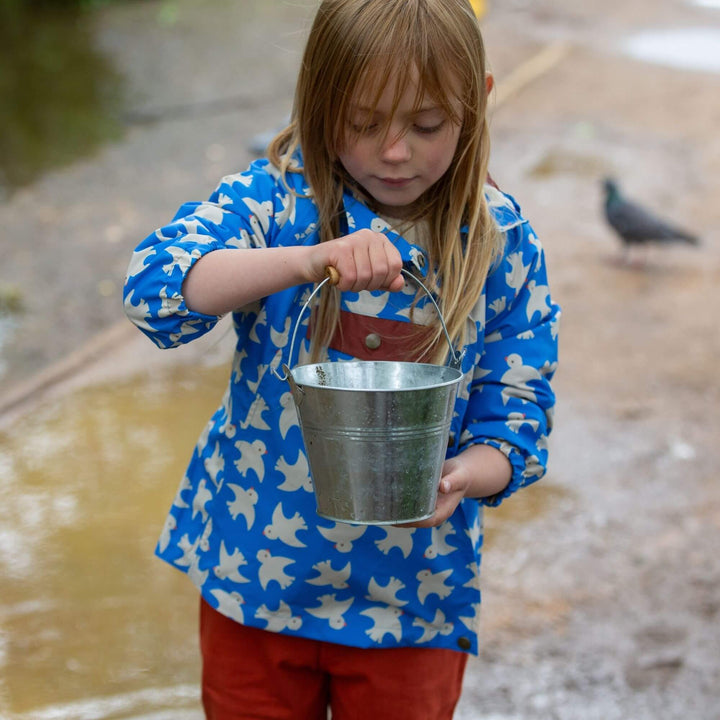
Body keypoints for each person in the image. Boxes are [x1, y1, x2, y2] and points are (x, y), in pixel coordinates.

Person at [123, 1, 560, 717]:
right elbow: (153, 290)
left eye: (425, 125)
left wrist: (462, 477)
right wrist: (303, 261)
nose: (395, 152)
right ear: (321, 102)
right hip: (256, 580)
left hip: (411, 605)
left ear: (476, 102)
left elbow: (519, 414)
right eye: (363, 123)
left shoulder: (501, 242)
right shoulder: (275, 201)